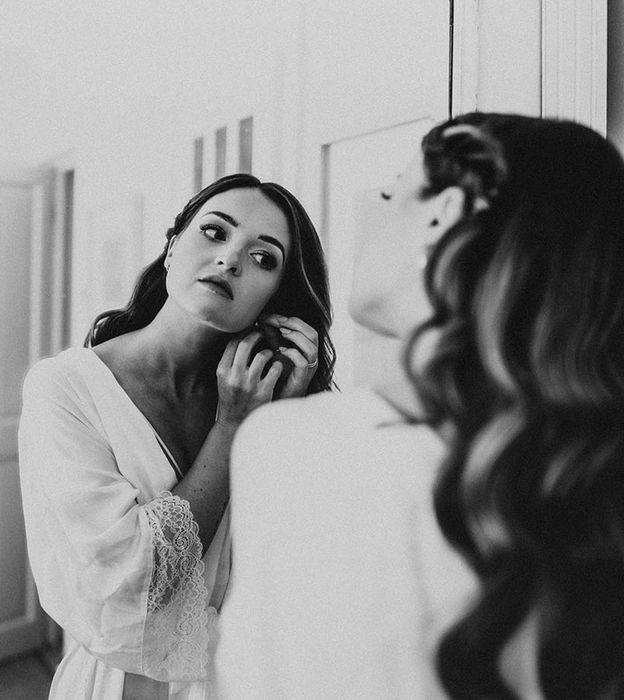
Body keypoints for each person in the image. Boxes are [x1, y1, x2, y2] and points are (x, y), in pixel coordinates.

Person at [214, 113, 624, 699]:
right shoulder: (590, 464)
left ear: (442, 213)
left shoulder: (294, 443)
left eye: (389, 192)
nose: (373, 213)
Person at [18, 172, 335, 700]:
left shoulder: (270, 402)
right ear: (171, 249)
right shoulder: (67, 389)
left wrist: (284, 425)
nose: (230, 259)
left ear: (276, 298)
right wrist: (231, 427)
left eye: (264, 258)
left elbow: (301, 575)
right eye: (216, 232)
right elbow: (126, 586)